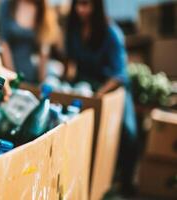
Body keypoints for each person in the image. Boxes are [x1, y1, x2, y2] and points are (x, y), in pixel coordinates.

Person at [65, 0, 138, 196]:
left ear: (96, 7)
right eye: (78, 5)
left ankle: (126, 183)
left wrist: (99, 96)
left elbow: (119, 75)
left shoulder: (111, 33)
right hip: (85, 84)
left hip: (112, 88)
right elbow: (71, 61)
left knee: (128, 132)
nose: (82, 10)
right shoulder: (73, 29)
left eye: (86, 5)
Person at [0, 0, 60, 84]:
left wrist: (41, 82)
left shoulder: (42, 8)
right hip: (8, 72)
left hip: (31, 74)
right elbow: (3, 43)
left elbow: (44, 50)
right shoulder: (8, 4)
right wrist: (12, 76)